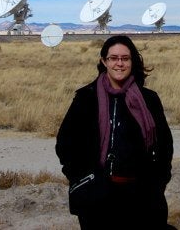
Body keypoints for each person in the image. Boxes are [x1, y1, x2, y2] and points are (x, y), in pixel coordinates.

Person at [56, 35, 174, 229]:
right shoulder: (86, 98)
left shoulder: (149, 99)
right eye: (113, 58)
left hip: (141, 196)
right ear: (104, 61)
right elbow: (65, 143)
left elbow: (165, 146)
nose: (119, 63)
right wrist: (81, 178)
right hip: (96, 197)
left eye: (125, 58)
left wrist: (158, 183)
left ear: (132, 61)